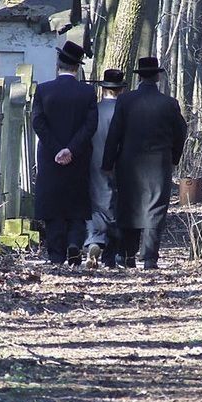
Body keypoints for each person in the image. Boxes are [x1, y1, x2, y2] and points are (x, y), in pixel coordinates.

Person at [101, 57, 188, 270]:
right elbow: (181, 132)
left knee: (129, 206)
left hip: (128, 163)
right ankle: (149, 258)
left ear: (139, 76)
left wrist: (108, 162)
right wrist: (174, 157)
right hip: (159, 164)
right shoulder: (169, 103)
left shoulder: (125, 101)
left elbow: (115, 133)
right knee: (155, 208)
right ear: (157, 77)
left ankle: (127, 255)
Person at [32, 41, 98, 266]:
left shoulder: (43, 90)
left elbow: (38, 123)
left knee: (54, 207)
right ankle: (74, 243)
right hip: (77, 158)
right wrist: (71, 149)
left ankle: (57, 254)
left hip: (51, 159)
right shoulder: (87, 92)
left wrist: (57, 149)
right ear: (77, 68)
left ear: (58, 64)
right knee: (76, 204)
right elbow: (90, 126)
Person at [84, 69, 127, 269]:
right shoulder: (126, 111)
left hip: (94, 161)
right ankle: (112, 255)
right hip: (122, 163)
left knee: (96, 202)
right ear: (121, 89)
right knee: (117, 206)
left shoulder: (93, 111)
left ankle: (95, 240)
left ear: (104, 89)